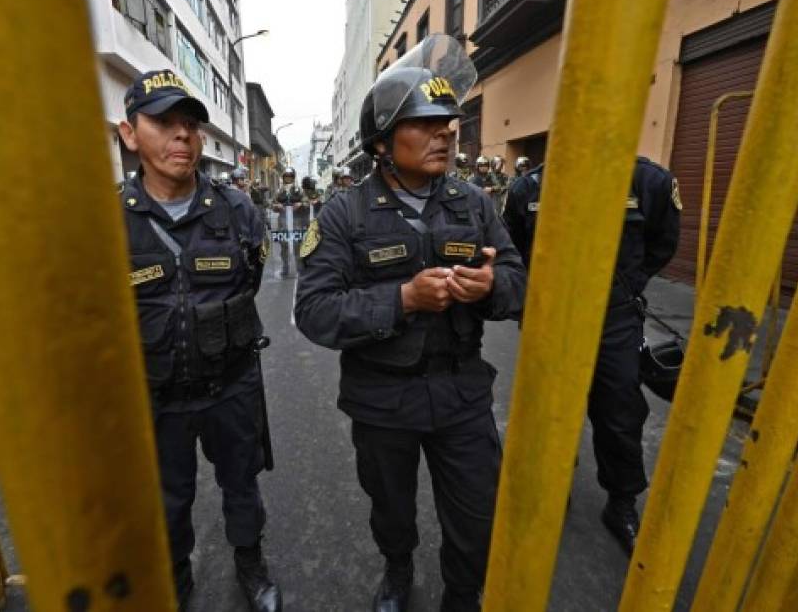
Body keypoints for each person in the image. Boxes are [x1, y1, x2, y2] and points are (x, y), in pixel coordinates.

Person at [294, 34, 526, 612]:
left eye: (448, 121)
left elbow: (521, 279)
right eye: (424, 123)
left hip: (461, 393)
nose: (446, 132)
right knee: (391, 505)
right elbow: (315, 311)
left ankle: (462, 595)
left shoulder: (474, 203)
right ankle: (397, 572)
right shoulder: (343, 212)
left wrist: (492, 285)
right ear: (381, 142)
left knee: (477, 515)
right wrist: (403, 298)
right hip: (382, 400)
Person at [117, 69, 282, 612]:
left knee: (242, 483)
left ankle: (249, 562)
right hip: (154, 395)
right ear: (129, 133)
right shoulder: (108, 219)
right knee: (169, 498)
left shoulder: (236, 210)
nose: (181, 136)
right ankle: (175, 576)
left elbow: (250, 279)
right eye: (163, 123)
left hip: (229, 384)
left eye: (189, 125)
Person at [501, 155, 681, 556]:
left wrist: (626, 288)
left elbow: (662, 244)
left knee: (619, 410)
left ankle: (621, 503)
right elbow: (511, 249)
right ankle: (553, 486)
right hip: (550, 318)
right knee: (548, 409)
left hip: (614, 318)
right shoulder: (529, 188)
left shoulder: (648, 181)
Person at [271, 168, 305, 277]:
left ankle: (300, 268)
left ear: (293, 178)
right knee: (284, 246)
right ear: (283, 177)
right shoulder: (279, 191)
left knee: (297, 246)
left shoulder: (299, 190)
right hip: (283, 221)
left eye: (290, 176)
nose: (288, 178)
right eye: (286, 176)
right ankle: (285, 267)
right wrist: (277, 206)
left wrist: (300, 204)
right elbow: (272, 204)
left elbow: (307, 201)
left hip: (297, 221)